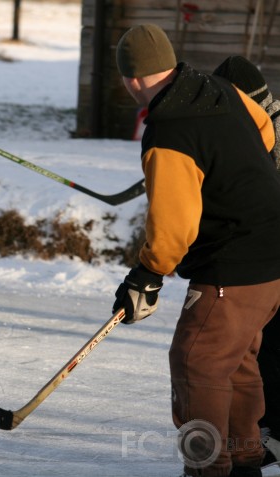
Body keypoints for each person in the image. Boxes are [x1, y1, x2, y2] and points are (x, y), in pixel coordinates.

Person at [112, 24, 280, 477]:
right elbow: (266, 130)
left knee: (195, 362)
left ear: (131, 78)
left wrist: (146, 275)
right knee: (237, 362)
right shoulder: (219, 88)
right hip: (271, 257)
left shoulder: (169, 131)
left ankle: (207, 468)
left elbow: (173, 228)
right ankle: (245, 460)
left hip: (233, 264)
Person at [212, 55, 280, 468]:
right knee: (259, 348)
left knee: (270, 347)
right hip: (263, 258)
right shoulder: (244, 128)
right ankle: (263, 432)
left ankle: (269, 433)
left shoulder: (265, 132)